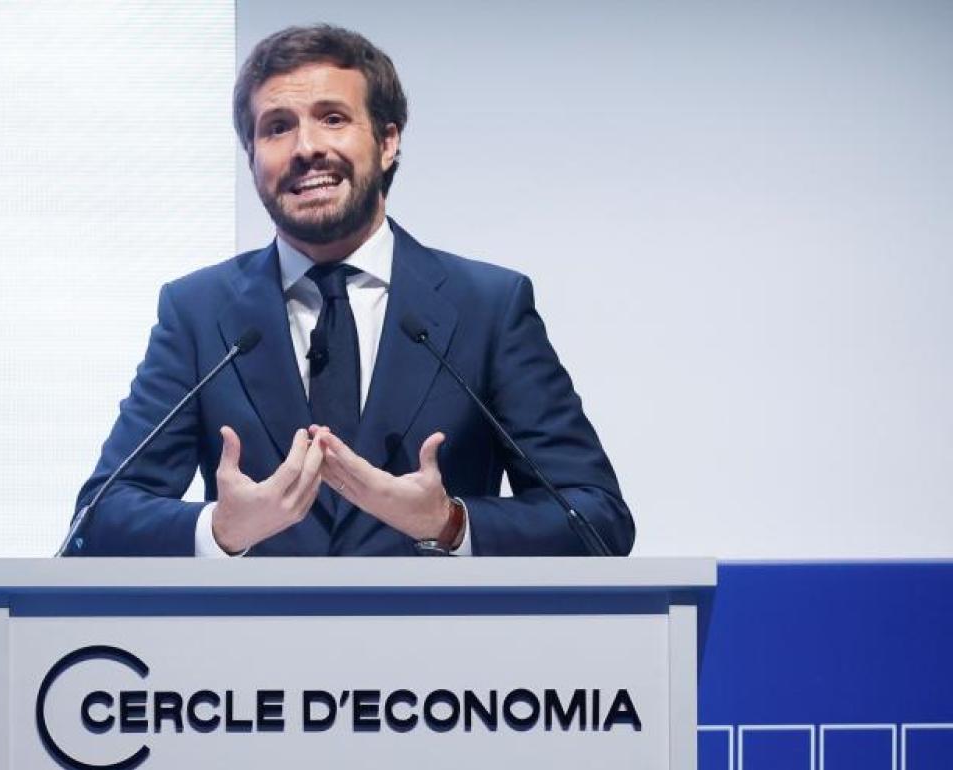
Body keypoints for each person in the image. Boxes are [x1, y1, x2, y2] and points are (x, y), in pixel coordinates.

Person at [72, 24, 634, 557]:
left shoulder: (487, 307)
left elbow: (599, 518)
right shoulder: (198, 312)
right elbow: (96, 520)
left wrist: (449, 523)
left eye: (333, 118)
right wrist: (220, 529)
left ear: (387, 141)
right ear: (252, 158)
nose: (305, 147)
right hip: (254, 629)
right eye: (277, 127)